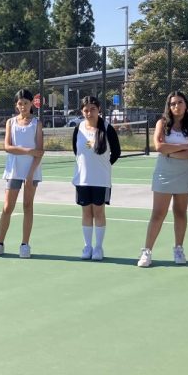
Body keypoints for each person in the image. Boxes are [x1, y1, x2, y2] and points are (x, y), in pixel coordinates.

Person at [138, 91, 188, 267]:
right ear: (169, 106)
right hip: (164, 173)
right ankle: (147, 251)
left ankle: (178, 249)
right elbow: (159, 146)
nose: (176, 106)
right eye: (173, 104)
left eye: (180, 102)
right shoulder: (162, 123)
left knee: (180, 212)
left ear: (185, 105)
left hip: (185, 173)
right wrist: (182, 147)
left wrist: (171, 152)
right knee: (158, 213)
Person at [0, 89, 42, 259]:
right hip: (13, 170)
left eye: (25, 103)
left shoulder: (37, 123)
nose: (22, 106)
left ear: (31, 104)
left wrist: (31, 174)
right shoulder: (11, 122)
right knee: (7, 207)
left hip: (32, 171)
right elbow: (8, 146)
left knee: (27, 206)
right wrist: (27, 150)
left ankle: (25, 244)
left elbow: (40, 151)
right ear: (16, 105)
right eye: (20, 103)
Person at [71, 95, 121, 261]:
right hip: (83, 179)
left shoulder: (107, 128)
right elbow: (76, 151)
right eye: (86, 110)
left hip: (101, 180)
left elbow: (117, 152)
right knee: (86, 212)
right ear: (82, 111)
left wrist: (104, 166)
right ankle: (87, 246)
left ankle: (98, 247)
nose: (89, 112)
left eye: (93, 109)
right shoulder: (78, 128)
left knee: (98, 212)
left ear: (99, 109)